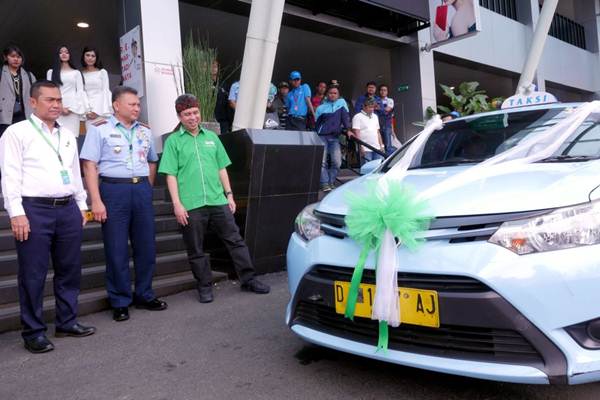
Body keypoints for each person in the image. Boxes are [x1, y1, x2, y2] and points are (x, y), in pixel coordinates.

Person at [0, 80, 95, 353]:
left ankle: (67, 321)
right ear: (33, 102)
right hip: (34, 210)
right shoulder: (16, 133)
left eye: (58, 100)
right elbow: (10, 176)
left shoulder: (66, 134)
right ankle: (33, 331)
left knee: (69, 269)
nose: (56, 105)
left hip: (68, 209)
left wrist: (81, 205)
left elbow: (74, 174)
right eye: (49, 100)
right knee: (33, 273)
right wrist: (16, 213)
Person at [159, 94, 270, 303]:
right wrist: (177, 204)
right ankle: (204, 286)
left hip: (217, 199)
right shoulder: (174, 141)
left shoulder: (212, 137)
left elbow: (221, 168)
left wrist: (229, 195)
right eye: (187, 114)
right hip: (190, 204)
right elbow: (170, 175)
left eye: (195, 112)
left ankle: (249, 279)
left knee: (235, 240)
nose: (192, 117)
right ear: (179, 116)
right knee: (196, 247)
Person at [80, 86, 167, 322]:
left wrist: (146, 187)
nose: (137, 108)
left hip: (140, 190)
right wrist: (95, 200)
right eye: (132, 104)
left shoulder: (145, 131)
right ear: (116, 106)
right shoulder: (99, 129)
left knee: (146, 246)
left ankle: (145, 294)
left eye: (138, 105)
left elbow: (152, 161)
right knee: (116, 248)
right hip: (113, 189)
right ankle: (119, 300)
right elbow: (89, 165)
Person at [315, 85, 351, 191]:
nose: (333, 95)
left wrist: (348, 130)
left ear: (338, 95)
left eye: (335, 93)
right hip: (322, 137)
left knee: (337, 162)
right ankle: (325, 183)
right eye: (331, 93)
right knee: (322, 162)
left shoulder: (341, 104)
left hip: (334, 137)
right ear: (327, 94)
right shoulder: (321, 108)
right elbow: (317, 124)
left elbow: (345, 119)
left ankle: (331, 181)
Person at [47, 45, 89, 136]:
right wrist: (60, 108)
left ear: (70, 55)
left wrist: (71, 109)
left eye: (66, 52)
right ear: (57, 55)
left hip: (73, 110)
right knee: (56, 137)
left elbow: (80, 92)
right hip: (56, 108)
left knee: (72, 138)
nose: (64, 54)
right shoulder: (51, 72)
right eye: (61, 52)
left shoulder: (76, 73)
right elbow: (49, 92)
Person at [0, 44, 36, 136]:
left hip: (25, 115)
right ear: (5, 57)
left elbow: (36, 95)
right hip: (4, 116)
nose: (16, 59)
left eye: (19, 57)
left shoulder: (29, 75)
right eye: (12, 56)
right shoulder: (1, 73)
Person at [81, 46, 112, 132]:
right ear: (83, 56)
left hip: (101, 110)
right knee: (91, 137)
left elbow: (105, 91)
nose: (90, 58)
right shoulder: (79, 74)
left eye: (93, 56)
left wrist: (96, 111)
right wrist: (87, 111)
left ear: (96, 58)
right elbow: (82, 93)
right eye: (87, 55)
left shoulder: (102, 72)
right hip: (88, 112)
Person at [352, 97, 384, 165]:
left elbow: (377, 132)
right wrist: (361, 147)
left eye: (373, 107)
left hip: (377, 148)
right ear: (363, 106)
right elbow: (357, 133)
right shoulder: (357, 117)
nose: (372, 109)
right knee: (367, 170)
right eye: (370, 107)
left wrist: (382, 145)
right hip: (365, 149)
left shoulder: (375, 116)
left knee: (378, 170)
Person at [378, 84, 396, 155]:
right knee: (380, 145)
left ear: (387, 92)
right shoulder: (377, 100)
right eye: (381, 90)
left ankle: (390, 163)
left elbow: (388, 110)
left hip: (386, 125)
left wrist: (379, 108)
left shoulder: (390, 100)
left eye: (384, 90)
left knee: (388, 146)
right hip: (378, 126)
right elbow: (384, 110)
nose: (383, 92)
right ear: (379, 91)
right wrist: (383, 109)